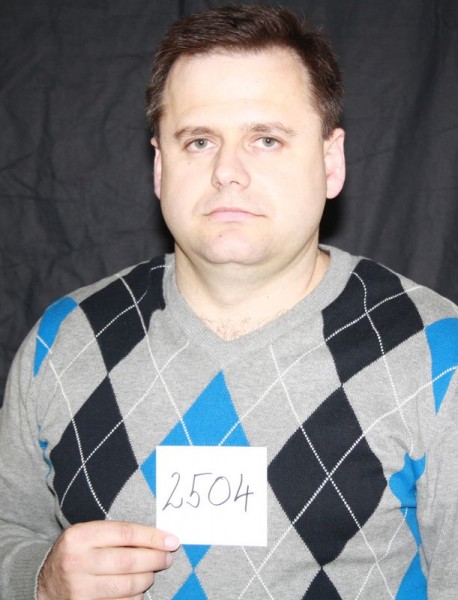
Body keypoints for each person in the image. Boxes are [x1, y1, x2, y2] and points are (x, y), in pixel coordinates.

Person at [0, 4, 457, 599]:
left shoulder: (436, 353)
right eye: (198, 141)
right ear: (160, 166)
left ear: (330, 161)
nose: (228, 172)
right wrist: (38, 578)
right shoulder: (64, 340)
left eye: (266, 140)